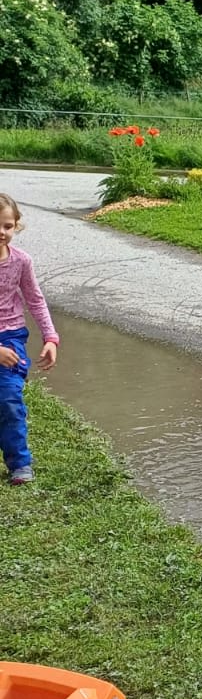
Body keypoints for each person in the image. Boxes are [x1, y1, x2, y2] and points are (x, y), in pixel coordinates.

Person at [0, 193, 60, 486]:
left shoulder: (21, 261)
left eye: (7, 226)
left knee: (9, 399)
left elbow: (35, 300)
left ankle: (20, 464)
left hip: (11, 337)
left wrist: (50, 337)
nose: (2, 232)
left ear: (16, 226)